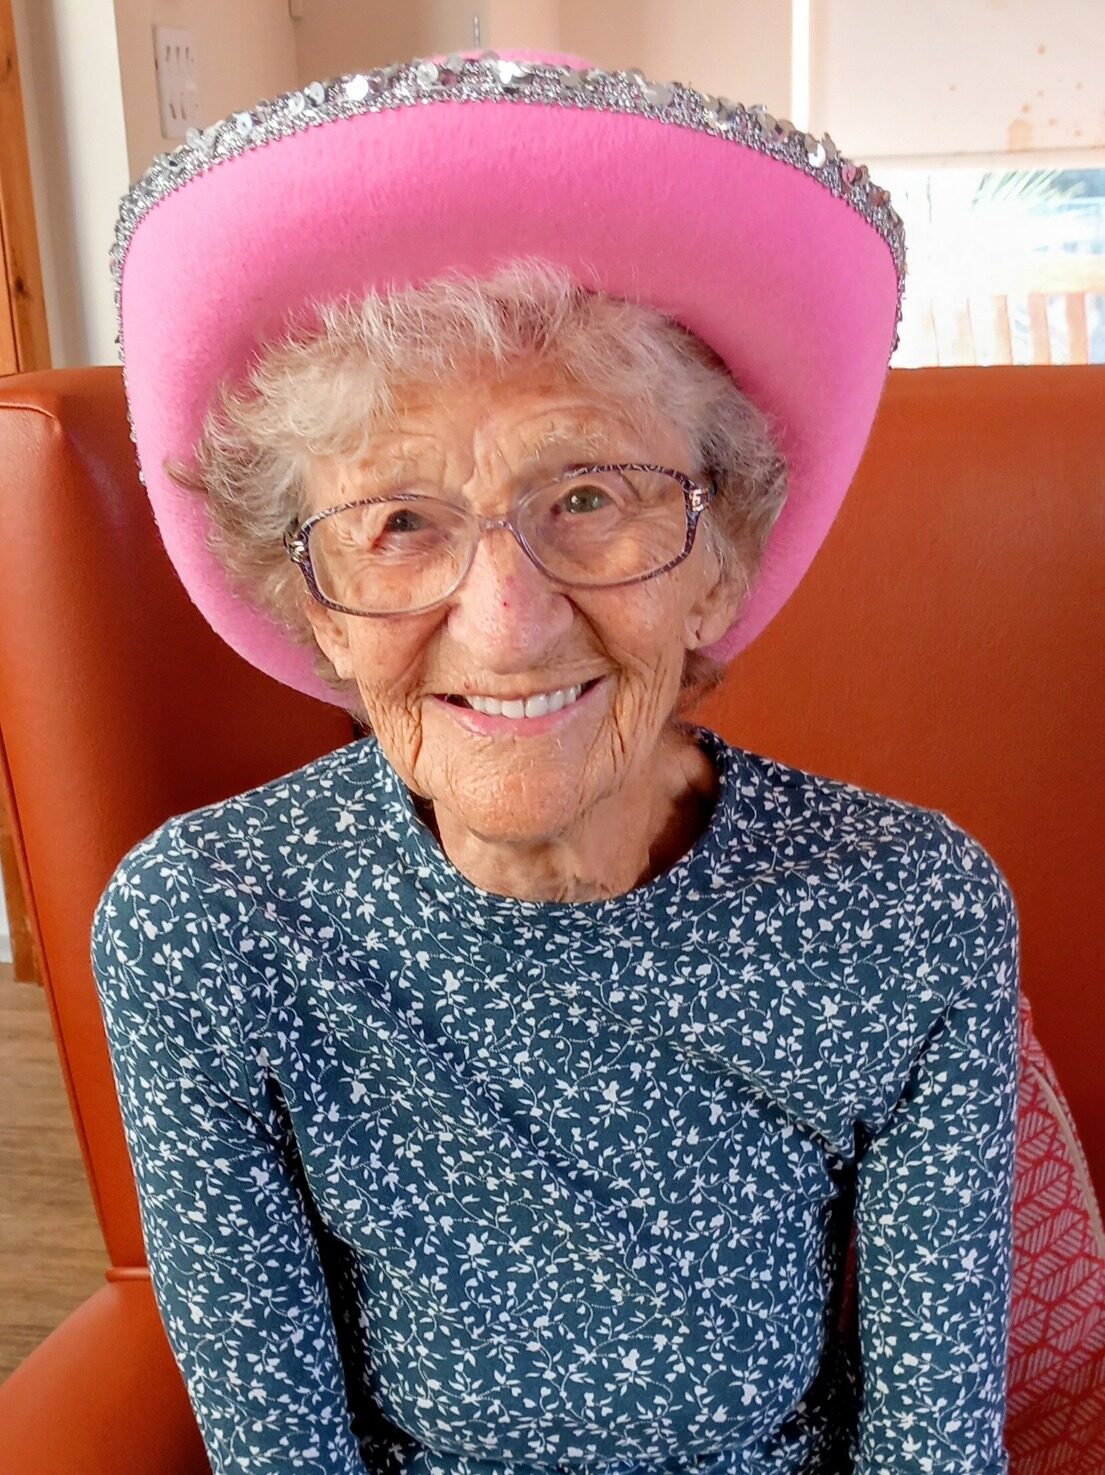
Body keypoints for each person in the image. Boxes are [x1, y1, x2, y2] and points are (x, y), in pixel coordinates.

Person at [90, 48, 1020, 1475]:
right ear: (311, 609)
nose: (509, 625)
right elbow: (277, 1448)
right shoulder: (206, 925)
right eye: (398, 523)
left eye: (586, 495)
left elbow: (930, 1445)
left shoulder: (905, 906)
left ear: (719, 568)